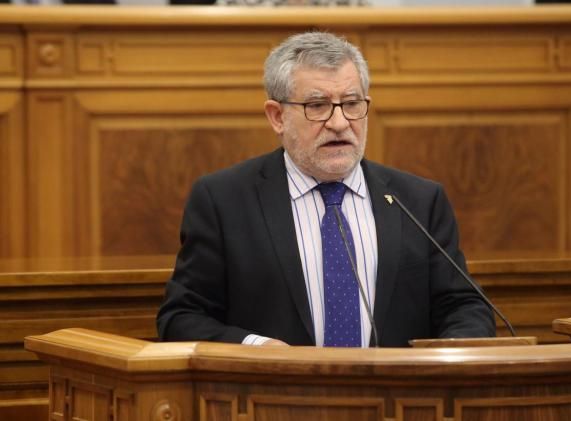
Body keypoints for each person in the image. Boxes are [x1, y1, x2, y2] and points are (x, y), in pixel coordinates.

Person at [156, 31, 496, 347]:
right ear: (277, 117)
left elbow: (465, 307)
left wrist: (448, 360)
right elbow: (181, 318)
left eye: (351, 103)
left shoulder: (419, 201)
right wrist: (254, 349)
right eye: (317, 106)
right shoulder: (223, 201)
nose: (339, 123)